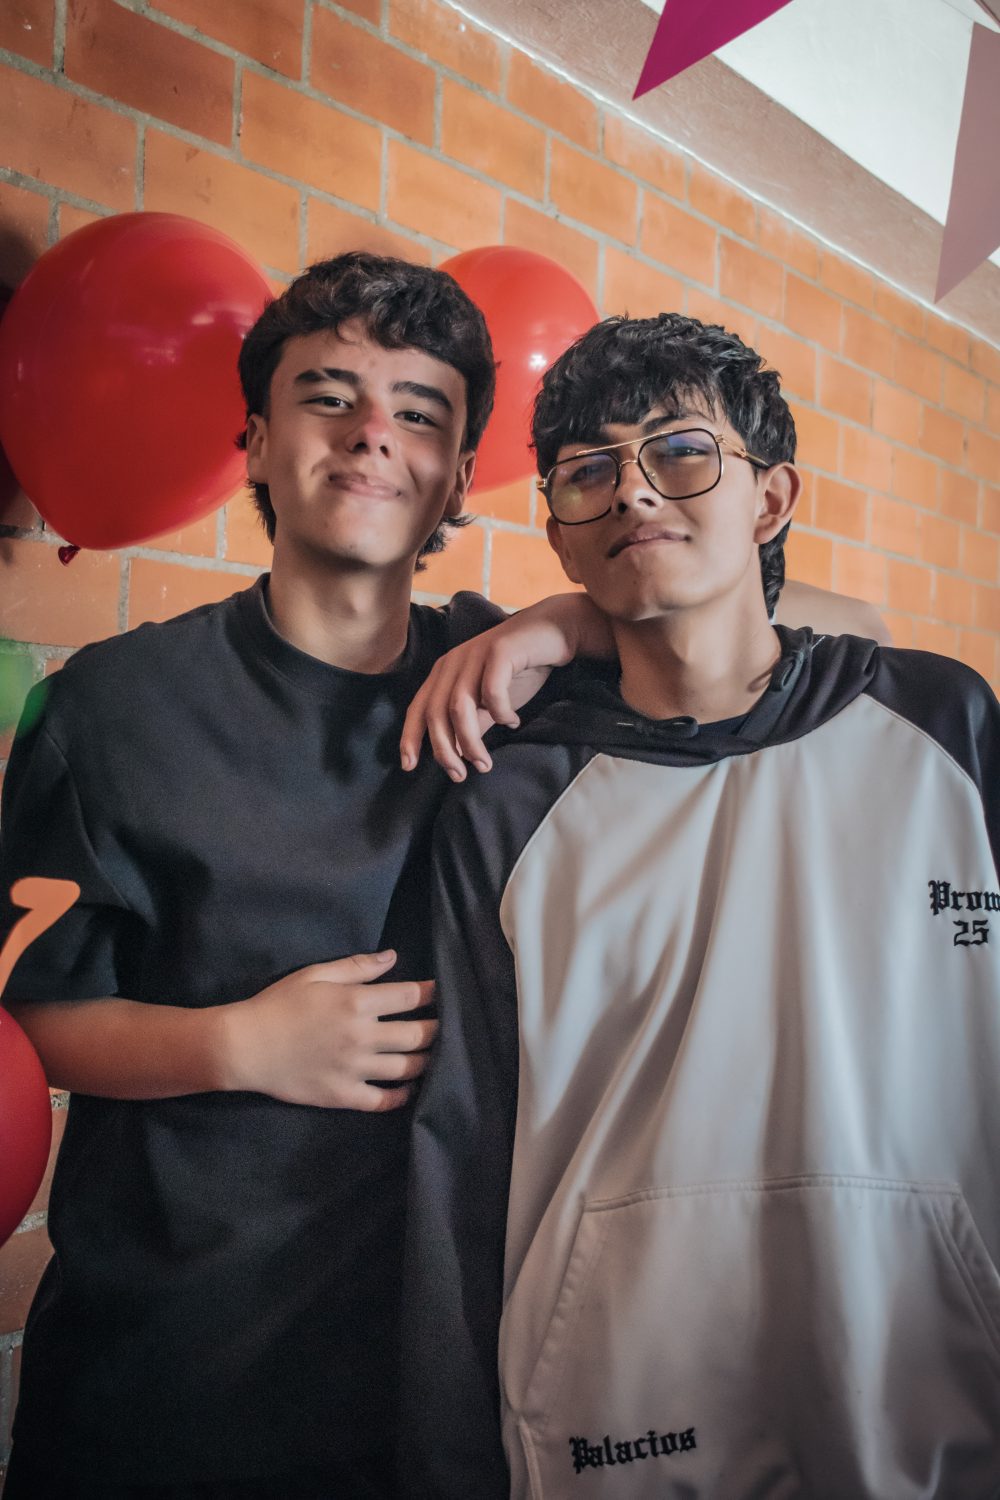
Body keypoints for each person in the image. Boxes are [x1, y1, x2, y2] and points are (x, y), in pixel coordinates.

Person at [0, 252, 620, 1500]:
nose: (372, 432)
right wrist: (239, 1043)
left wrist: (565, 622)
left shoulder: (515, 695)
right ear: (254, 441)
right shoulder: (110, 709)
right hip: (163, 1379)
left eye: (418, 412)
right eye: (327, 396)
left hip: (432, 1395)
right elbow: (35, 1018)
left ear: (457, 475)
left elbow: (763, 638)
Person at [401, 312, 1000, 1499]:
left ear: (770, 500)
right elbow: (459, 1153)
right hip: (612, 1419)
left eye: (679, 451)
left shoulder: (943, 728)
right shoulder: (510, 803)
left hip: (934, 1396)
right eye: (588, 471)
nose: (633, 490)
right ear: (561, 539)